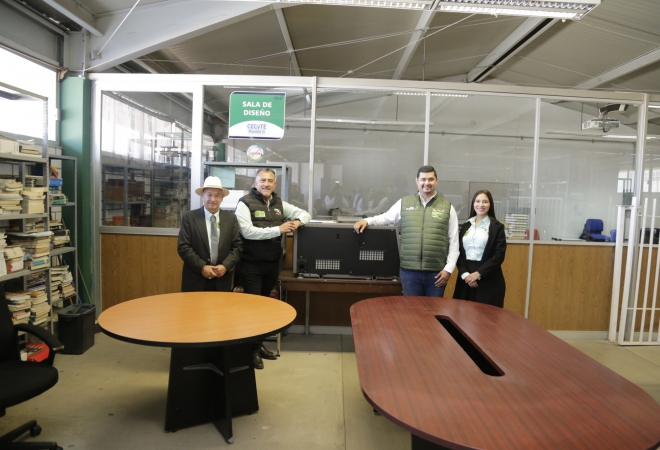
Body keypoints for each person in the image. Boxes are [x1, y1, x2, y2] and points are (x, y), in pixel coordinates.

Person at [235, 168, 311, 369]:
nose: (266, 184)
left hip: (272, 264)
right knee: (253, 308)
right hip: (250, 265)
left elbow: (305, 214)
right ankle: (250, 351)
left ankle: (258, 345)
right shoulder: (244, 203)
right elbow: (248, 232)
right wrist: (278, 229)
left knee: (264, 308)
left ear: (275, 184)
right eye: (262, 180)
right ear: (255, 183)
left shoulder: (279, 204)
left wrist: (296, 222)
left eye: (270, 181)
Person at [354, 165, 459, 297]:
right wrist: (367, 221)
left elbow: (454, 241)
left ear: (436, 181)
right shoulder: (404, 203)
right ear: (417, 181)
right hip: (410, 272)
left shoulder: (447, 207)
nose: (427, 183)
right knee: (411, 309)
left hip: (437, 273)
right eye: (423, 179)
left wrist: (448, 269)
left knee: (434, 308)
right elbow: (386, 218)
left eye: (430, 179)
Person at [177, 176, 242, 293]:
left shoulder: (231, 218)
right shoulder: (189, 218)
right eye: (209, 195)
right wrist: (202, 267)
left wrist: (225, 266)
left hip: (222, 279)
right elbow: (183, 247)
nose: (213, 199)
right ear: (202, 195)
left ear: (222, 198)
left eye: (217, 195)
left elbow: (237, 247)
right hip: (195, 278)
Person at [453, 190, 507, 308]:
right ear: (473, 203)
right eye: (477, 201)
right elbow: (458, 252)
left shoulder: (497, 227)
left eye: (485, 202)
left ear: (490, 204)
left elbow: (499, 255)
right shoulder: (466, 225)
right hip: (465, 278)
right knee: (462, 314)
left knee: (486, 316)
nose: (481, 205)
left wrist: (478, 274)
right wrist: (465, 275)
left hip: (488, 278)